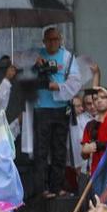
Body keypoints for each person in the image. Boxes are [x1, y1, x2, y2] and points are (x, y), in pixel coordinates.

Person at [32, 27, 82, 197]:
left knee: (59, 149)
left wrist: (58, 86)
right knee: (41, 150)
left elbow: (76, 82)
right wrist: (34, 60)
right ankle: (42, 188)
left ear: (60, 40)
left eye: (56, 39)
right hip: (42, 108)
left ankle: (57, 186)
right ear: (44, 42)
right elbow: (17, 59)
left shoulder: (67, 57)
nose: (52, 43)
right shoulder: (37, 54)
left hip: (61, 108)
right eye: (49, 40)